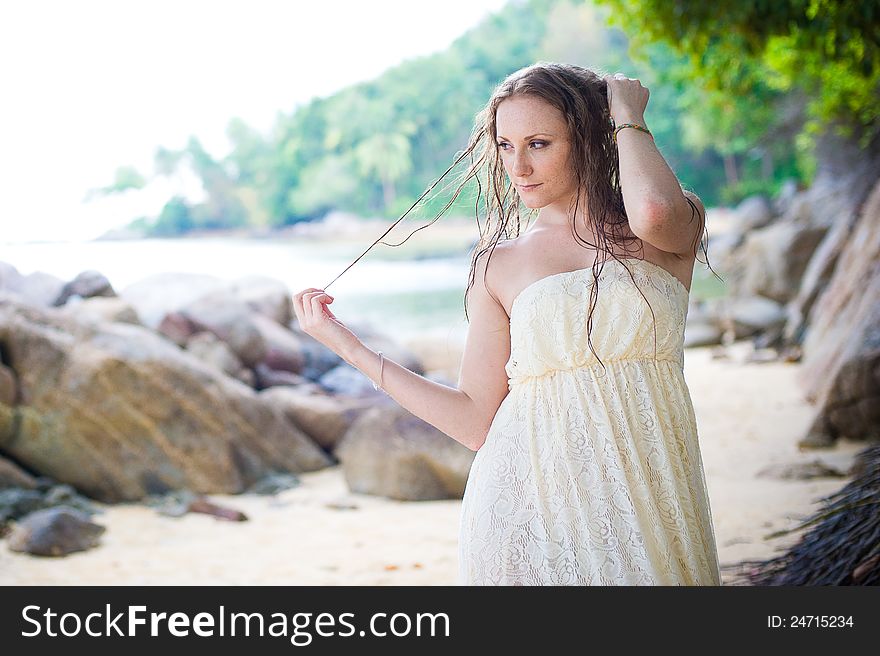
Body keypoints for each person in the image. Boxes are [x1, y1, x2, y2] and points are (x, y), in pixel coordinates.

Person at [293, 62, 723, 585]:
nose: (517, 166)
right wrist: (349, 348)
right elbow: (475, 421)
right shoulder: (499, 263)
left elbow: (654, 212)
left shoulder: (665, 228)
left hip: (653, 498)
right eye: (504, 146)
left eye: (539, 143)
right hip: (529, 507)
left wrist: (627, 116)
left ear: (591, 137)